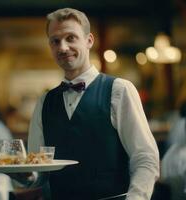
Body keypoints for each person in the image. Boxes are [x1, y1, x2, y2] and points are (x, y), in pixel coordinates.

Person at [25, 8, 159, 200]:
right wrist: (26, 176)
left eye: (71, 38)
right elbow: (38, 170)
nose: (62, 47)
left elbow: (145, 158)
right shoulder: (44, 102)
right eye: (55, 41)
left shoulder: (119, 90)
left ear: (89, 41)